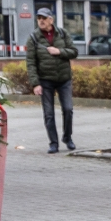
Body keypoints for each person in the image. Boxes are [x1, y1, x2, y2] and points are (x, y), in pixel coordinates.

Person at [25, 9, 76, 152]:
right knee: (49, 114)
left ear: (51, 20)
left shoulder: (62, 33)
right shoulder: (33, 38)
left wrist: (59, 51)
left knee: (68, 109)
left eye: (44, 18)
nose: (41, 20)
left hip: (64, 79)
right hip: (45, 81)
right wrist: (35, 84)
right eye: (39, 18)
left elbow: (74, 51)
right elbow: (30, 62)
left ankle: (68, 137)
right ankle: (53, 143)